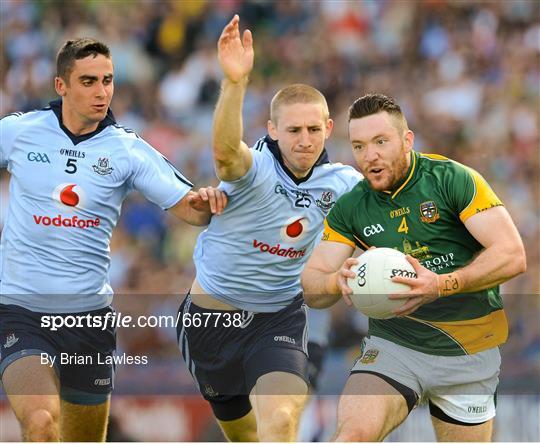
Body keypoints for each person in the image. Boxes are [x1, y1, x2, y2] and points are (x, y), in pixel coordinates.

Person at [0, 38, 227, 442]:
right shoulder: (19, 132)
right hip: (20, 311)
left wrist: (212, 200)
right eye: (88, 81)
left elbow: (192, 210)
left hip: (89, 320)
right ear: (61, 85)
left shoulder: (127, 150)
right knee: (40, 421)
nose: (101, 91)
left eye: (107, 80)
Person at [176, 15, 362, 442]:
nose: (305, 140)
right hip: (211, 323)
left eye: (314, 129)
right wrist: (235, 83)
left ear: (329, 129)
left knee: (279, 420)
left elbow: (382, 227)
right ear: (273, 130)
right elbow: (225, 156)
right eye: (293, 129)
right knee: (245, 436)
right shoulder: (254, 168)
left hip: (278, 319)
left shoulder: (344, 185)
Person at [301, 93, 527, 442]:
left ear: (407, 140)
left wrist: (442, 284)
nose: (369, 155)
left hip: (468, 349)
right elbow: (311, 284)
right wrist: (336, 282)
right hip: (394, 347)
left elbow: (512, 254)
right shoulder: (351, 208)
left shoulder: (451, 179)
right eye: (358, 146)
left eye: (380, 142)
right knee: (353, 435)